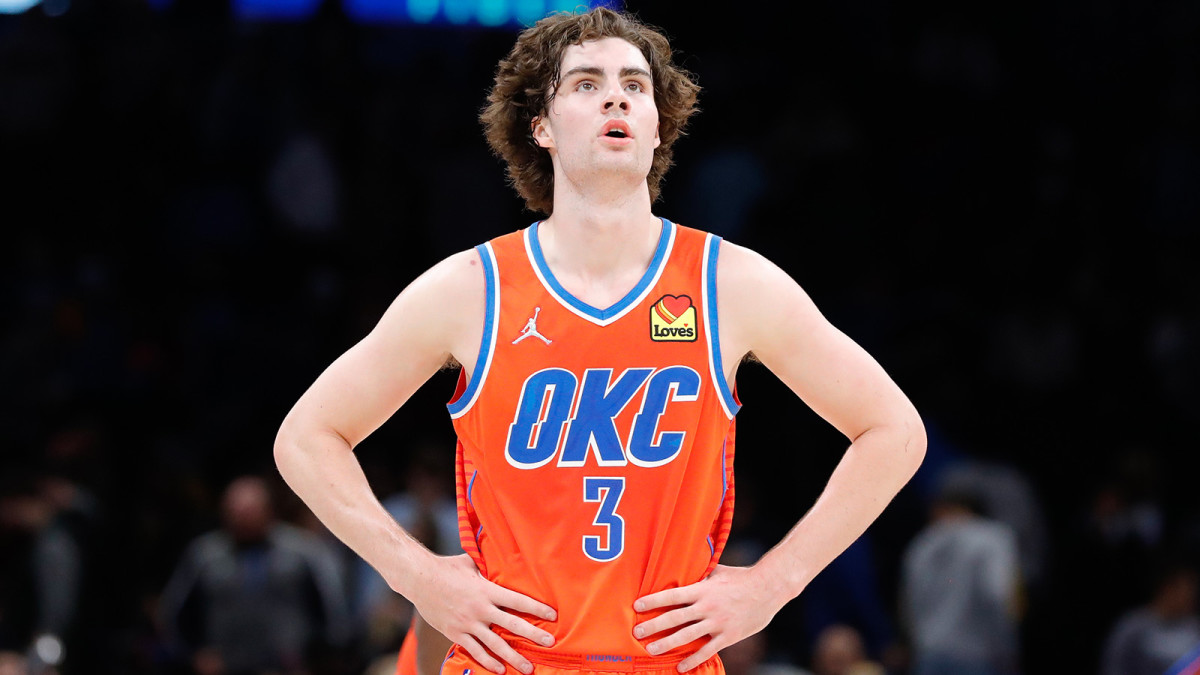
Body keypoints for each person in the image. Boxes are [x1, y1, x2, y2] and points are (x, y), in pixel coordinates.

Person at [273, 7, 926, 675]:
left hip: (666, 660)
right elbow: (306, 437)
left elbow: (894, 430)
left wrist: (773, 582)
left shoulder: (730, 283)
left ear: (657, 126)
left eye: (635, 86)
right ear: (542, 127)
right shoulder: (470, 288)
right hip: (511, 661)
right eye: (586, 83)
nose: (616, 94)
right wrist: (415, 573)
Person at [157, 475, 353, 675]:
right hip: (226, 665)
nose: (242, 518)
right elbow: (175, 612)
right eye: (235, 512)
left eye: (249, 511)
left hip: (289, 665)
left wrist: (321, 659)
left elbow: (333, 610)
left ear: (269, 510)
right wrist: (195, 654)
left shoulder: (302, 551)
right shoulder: (204, 555)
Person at [899, 484, 1020, 675]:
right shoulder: (993, 538)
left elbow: (908, 604)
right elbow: (996, 594)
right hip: (977, 655)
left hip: (929, 654)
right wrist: (1006, 647)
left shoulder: (922, 543)